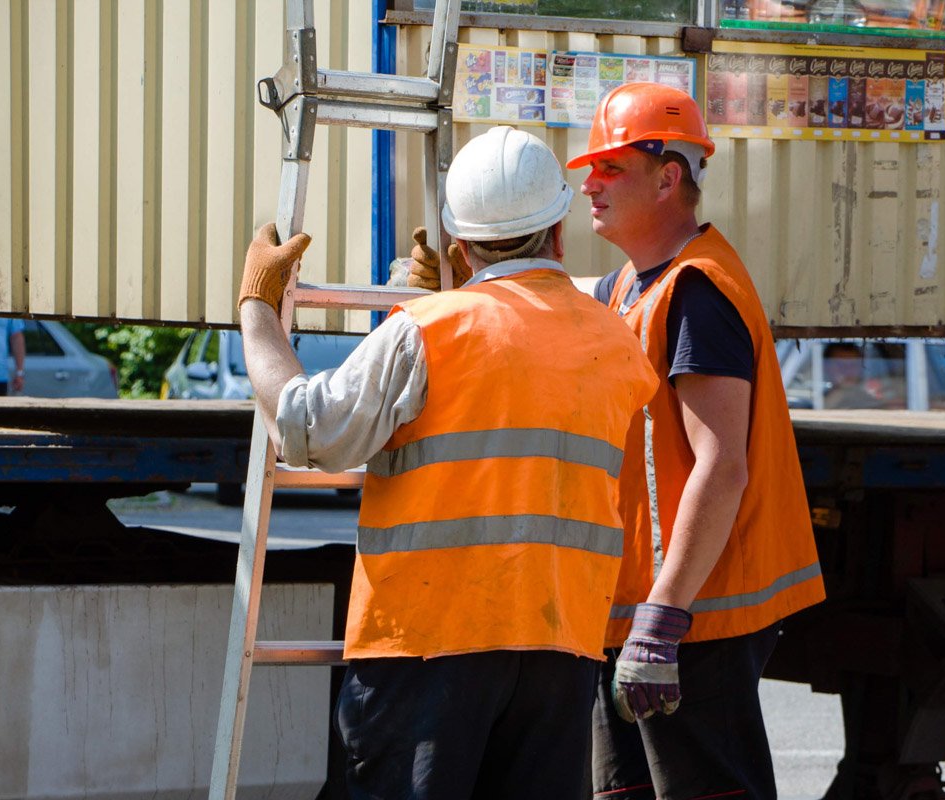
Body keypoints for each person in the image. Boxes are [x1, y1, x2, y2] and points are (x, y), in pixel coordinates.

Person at [236, 125, 658, 800]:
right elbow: (524, 353)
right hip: (562, 647)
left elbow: (308, 429)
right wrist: (453, 294)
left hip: (428, 647)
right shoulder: (616, 340)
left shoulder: (428, 332)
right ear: (558, 231)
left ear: (461, 245)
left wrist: (258, 309)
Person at [566, 82, 826, 800]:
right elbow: (564, 300)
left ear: (668, 175)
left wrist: (664, 618)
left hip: (690, 617)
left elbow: (722, 465)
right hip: (646, 614)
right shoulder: (632, 284)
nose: (590, 183)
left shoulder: (698, 290)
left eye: (611, 167)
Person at [822, 342, 884, 409]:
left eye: (854, 364)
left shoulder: (872, 402)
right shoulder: (815, 401)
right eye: (841, 365)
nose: (848, 370)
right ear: (827, 367)